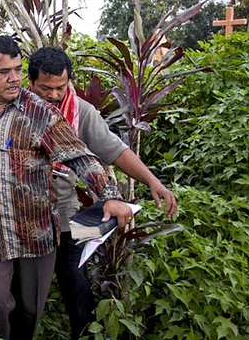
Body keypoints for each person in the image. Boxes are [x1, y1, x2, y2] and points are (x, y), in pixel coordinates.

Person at [0, 35, 133, 340]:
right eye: (4, 72)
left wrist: (109, 196)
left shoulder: (41, 114)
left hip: (35, 230)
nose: (14, 79)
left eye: (18, 70)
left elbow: (79, 156)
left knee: (29, 310)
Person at [28, 47, 178, 339]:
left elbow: (115, 151)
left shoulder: (81, 111)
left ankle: (83, 333)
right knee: (23, 289)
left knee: (75, 281)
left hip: (64, 213)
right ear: (30, 83)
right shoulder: (15, 109)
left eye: (61, 87)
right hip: (23, 213)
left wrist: (152, 181)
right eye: (46, 88)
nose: (55, 95)